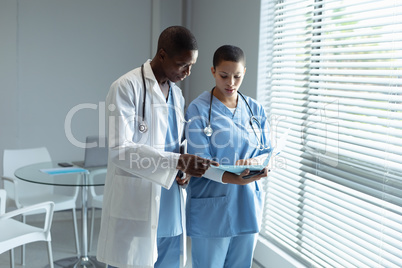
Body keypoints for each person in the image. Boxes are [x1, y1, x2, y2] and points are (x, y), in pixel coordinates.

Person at [96, 26, 217, 268]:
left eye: (192, 65)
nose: (188, 72)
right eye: (183, 64)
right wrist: (178, 163)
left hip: (170, 202)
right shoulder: (125, 87)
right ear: (162, 55)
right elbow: (120, 150)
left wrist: (184, 166)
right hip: (137, 201)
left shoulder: (177, 94)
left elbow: (174, 141)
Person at [185, 45, 271, 268]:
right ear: (213, 71)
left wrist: (257, 164)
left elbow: (267, 152)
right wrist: (235, 176)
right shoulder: (199, 109)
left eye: (237, 76)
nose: (230, 83)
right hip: (212, 207)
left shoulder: (255, 109)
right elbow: (199, 162)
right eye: (224, 75)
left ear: (245, 72)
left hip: (247, 204)